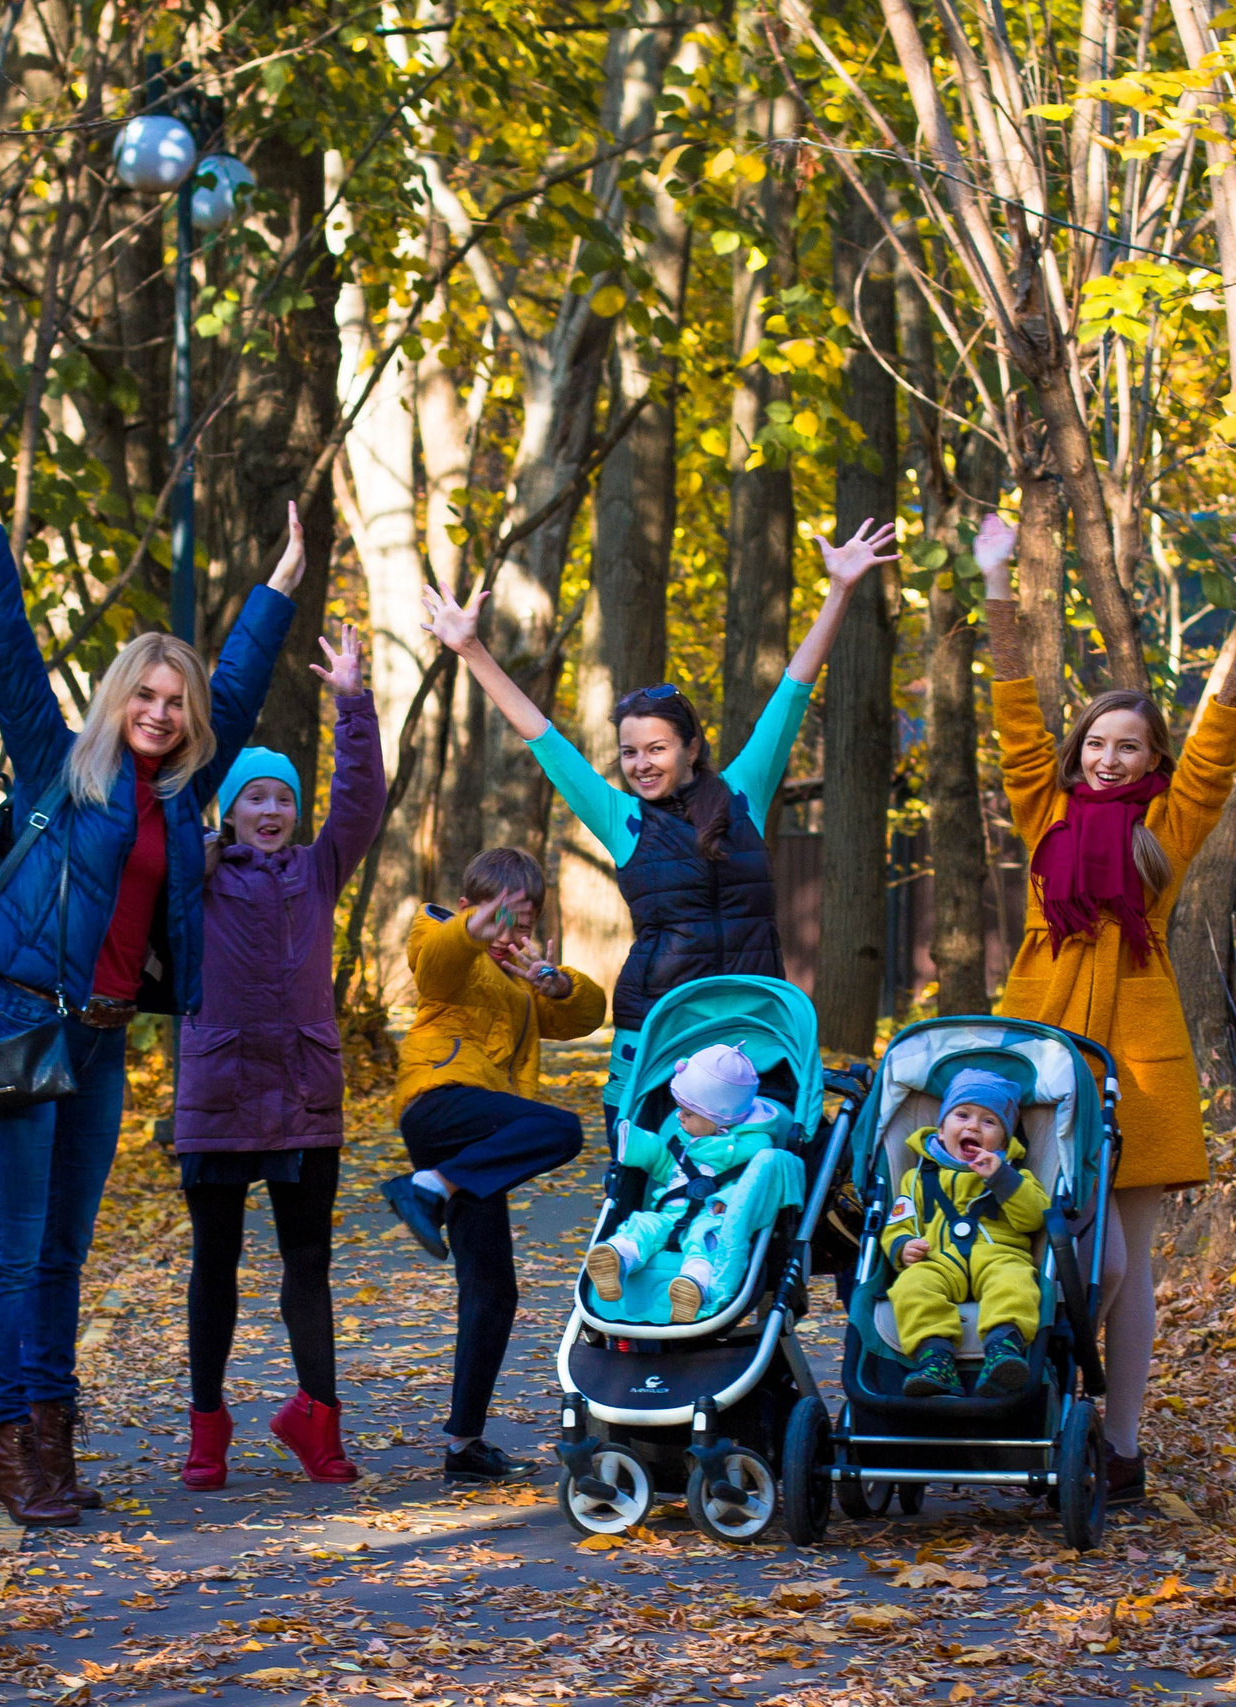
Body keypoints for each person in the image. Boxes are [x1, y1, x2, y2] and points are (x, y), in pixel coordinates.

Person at [0, 431, 304, 1527]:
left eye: (175, 703)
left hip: (95, 1036)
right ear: (118, 699)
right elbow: (4, 650)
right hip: (15, 1021)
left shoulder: (183, 797)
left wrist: (276, 588)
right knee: (7, 1250)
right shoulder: (62, 765)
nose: (162, 712)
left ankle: (50, 1442)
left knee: (61, 1249)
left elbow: (238, 676)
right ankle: (5, 1445)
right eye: (146, 695)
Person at [975, 517, 1236, 1504]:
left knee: (1123, 1262)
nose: (1107, 760)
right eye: (1096, 744)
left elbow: (1222, 726)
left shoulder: (1173, 817)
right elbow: (1015, 710)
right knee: (1041, 1238)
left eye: (1127, 747)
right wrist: (996, 583)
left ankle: (1118, 1443)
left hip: (1137, 1058)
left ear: (1150, 758)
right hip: (1038, 1042)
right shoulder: (1044, 807)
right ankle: (1038, 1405)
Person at [418, 518, 898, 1139]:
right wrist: (472, 651)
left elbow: (793, 691)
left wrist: (839, 592)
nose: (641, 764)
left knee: (766, 1162)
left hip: (754, 1023)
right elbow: (542, 736)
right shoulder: (623, 819)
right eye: (629, 753)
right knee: (649, 1172)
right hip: (659, 1025)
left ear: (691, 748)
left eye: (657, 749)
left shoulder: (742, 794)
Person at [173, 625, 382, 1491]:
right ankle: (207, 1429)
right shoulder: (197, 869)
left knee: (309, 1266)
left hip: (303, 1091)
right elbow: (161, 809)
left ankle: (317, 1423)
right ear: (227, 806)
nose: (268, 810)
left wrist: (353, 704)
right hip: (218, 1091)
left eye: (281, 799)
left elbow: (362, 798)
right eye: (253, 797)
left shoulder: (318, 868)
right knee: (213, 1266)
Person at [384, 849, 607, 1480]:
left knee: (492, 1288)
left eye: (524, 919)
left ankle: (463, 1446)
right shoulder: (438, 929)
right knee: (559, 1128)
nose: (510, 932)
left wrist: (556, 982)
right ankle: (425, 1185)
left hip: (481, 1136)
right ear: (468, 907)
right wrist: (468, 931)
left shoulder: (518, 974)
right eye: (500, 916)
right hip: (438, 1100)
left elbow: (583, 1018)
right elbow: (434, 965)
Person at [586, 1043, 801, 1324]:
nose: (679, 1116)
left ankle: (692, 1286)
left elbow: (756, 1187)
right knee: (641, 1225)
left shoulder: (749, 1150)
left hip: (711, 1218)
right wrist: (637, 1144)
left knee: (705, 1244)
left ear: (719, 1119)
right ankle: (616, 1258)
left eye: (688, 1113)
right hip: (669, 1213)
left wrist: (731, 1198)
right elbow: (665, 1165)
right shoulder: (685, 1139)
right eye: (679, 1109)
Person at [879, 1067, 1051, 1399]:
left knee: (1014, 1283)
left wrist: (1002, 1179)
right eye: (962, 1115)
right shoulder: (917, 1178)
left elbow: (1034, 1218)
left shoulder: (1015, 1175)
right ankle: (934, 1357)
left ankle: (1003, 1348)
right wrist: (902, 1246)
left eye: (989, 1122)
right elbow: (897, 1224)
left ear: (1003, 1140)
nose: (973, 1126)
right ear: (941, 1130)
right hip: (939, 1259)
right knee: (912, 1286)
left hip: (999, 1257)